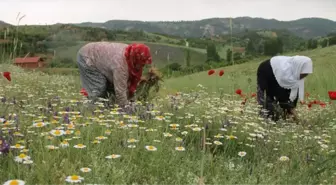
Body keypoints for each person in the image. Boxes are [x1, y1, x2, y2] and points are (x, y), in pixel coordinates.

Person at [77, 42, 152, 108]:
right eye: (141, 62)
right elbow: (120, 91)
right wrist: (126, 108)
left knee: (109, 89)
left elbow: (127, 81)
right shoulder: (120, 64)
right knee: (98, 89)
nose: (143, 65)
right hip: (87, 56)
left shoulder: (130, 53)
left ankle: (105, 106)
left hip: (99, 56)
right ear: (135, 58)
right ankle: (89, 109)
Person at [256, 55, 313, 121]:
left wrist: (292, 106)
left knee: (284, 109)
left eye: (305, 74)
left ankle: (282, 120)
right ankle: (266, 122)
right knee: (268, 104)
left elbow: (294, 92)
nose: (303, 76)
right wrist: (290, 109)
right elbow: (281, 95)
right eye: (303, 74)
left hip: (277, 75)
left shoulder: (296, 72)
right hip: (266, 72)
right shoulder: (284, 73)